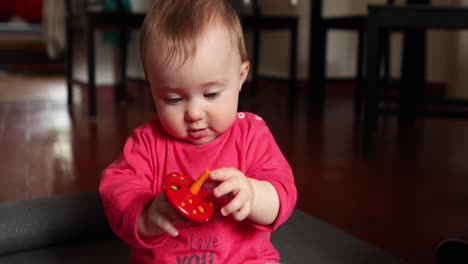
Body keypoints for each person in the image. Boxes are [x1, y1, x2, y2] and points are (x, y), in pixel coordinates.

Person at [99, 0, 297, 263]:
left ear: (240, 77)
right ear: (152, 88)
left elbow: (283, 192)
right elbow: (116, 186)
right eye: (173, 99)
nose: (194, 114)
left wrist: (253, 193)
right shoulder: (147, 142)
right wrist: (146, 216)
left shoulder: (252, 134)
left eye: (211, 94)